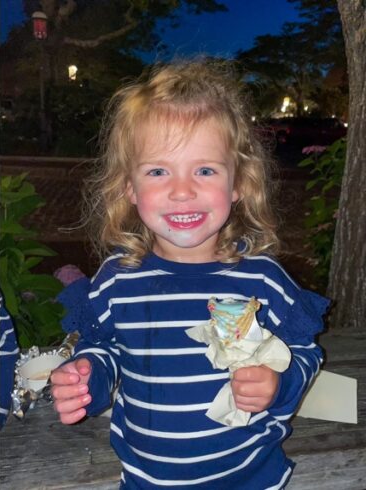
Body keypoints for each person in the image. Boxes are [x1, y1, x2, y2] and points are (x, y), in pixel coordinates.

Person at [49, 61, 328, 489]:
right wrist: (86, 377)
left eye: (205, 170)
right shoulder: (116, 282)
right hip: (147, 480)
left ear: (238, 183)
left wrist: (280, 381)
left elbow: (305, 353)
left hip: (250, 477)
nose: (182, 190)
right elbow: (103, 349)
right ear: (129, 187)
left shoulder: (264, 281)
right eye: (158, 171)